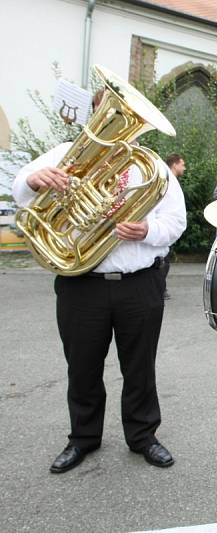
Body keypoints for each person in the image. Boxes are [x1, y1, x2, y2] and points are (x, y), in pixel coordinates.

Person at [12, 117, 187, 474]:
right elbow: (20, 187)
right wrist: (32, 181)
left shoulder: (150, 166)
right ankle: (83, 437)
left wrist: (147, 230)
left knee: (140, 366)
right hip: (81, 281)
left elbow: (176, 222)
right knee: (82, 367)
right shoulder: (66, 154)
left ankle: (143, 436)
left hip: (139, 282)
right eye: (105, 116)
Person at [162, 153, 185, 300]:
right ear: (175, 164)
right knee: (163, 261)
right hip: (163, 228)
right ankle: (160, 288)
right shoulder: (167, 179)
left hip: (167, 227)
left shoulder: (171, 179)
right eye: (182, 164)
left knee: (165, 260)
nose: (184, 167)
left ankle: (161, 287)